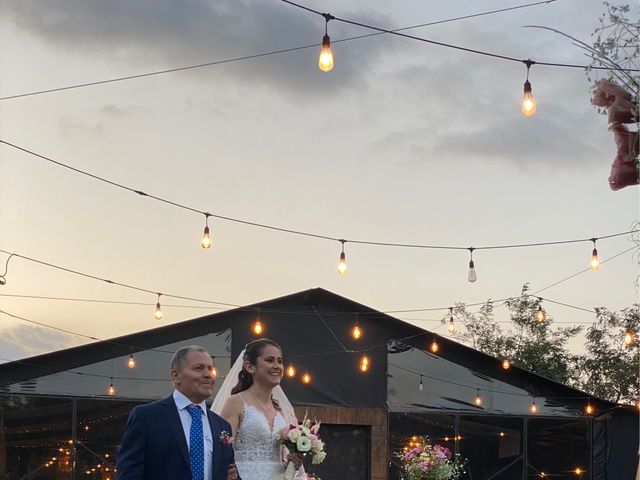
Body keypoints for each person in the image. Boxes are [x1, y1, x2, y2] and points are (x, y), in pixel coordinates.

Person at [117, 345, 239, 480]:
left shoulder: (222, 426)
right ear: (175, 376)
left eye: (210, 369)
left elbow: (229, 470)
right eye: (198, 368)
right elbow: (129, 473)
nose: (207, 374)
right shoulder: (147, 417)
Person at [211, 338, 304, 480]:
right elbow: (223, 449)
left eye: (280, 361)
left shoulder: (279, 410)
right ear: (250, 366)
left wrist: (290, 464)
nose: (277, 366)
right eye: (269, 360)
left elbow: (275, 460)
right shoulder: (236, 402)